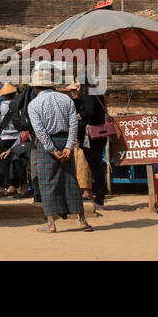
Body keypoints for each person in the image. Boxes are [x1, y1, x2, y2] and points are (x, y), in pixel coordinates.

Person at [28, 68, 90, 233]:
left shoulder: (33, 104)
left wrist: (52, 149)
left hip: (48, 144)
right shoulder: (66, 99)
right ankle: (82, 220)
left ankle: (51, 223)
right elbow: (73, 124)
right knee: (71, 181)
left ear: (35, 88)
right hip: (65, 141)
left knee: (48, 183)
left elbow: (40, 130)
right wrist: (69, 146)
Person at [72, 75, 109, 210]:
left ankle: (99, 198)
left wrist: (77, 116)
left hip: (92, 136)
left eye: (76, 81)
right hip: (97, 135)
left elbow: (89, 112)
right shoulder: (96, 93)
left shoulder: (89, 95)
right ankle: (99, 196)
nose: (75, 84)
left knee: (96, 167)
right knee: (96, 166)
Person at [0, 82, 28, 196]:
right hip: (18, 137)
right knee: (17, 161)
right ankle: (19, 184)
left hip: (4, 137)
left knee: (1, 162)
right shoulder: (19, 106)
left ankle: (6, 184)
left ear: (3, 95)